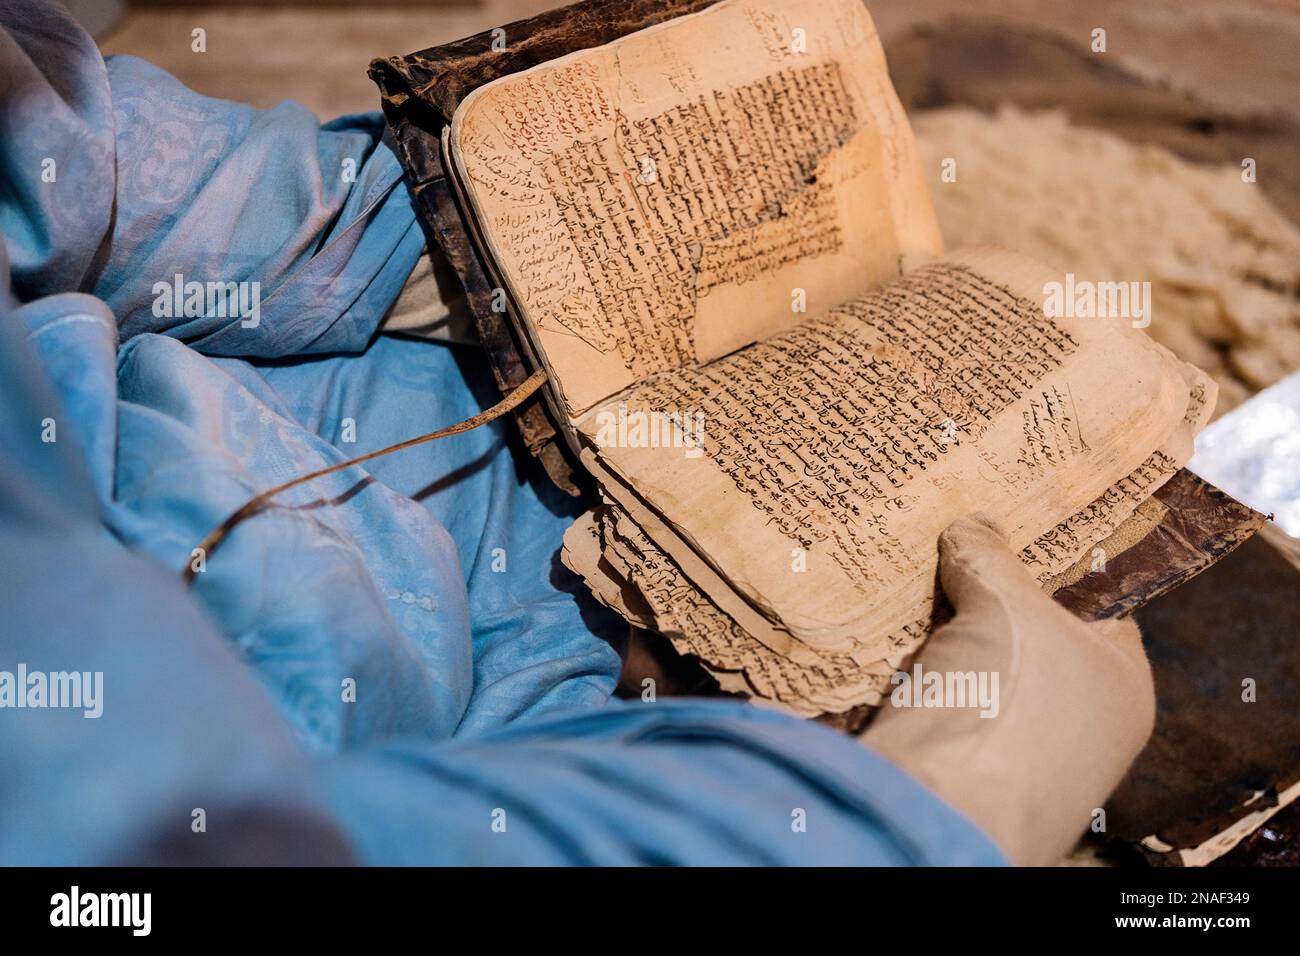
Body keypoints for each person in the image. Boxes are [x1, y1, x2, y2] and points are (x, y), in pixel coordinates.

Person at [0, 0, 1153, 865]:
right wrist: (941, 802)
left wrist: (407, 228)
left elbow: (64, 170)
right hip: (495, 737)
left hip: (305, 396)